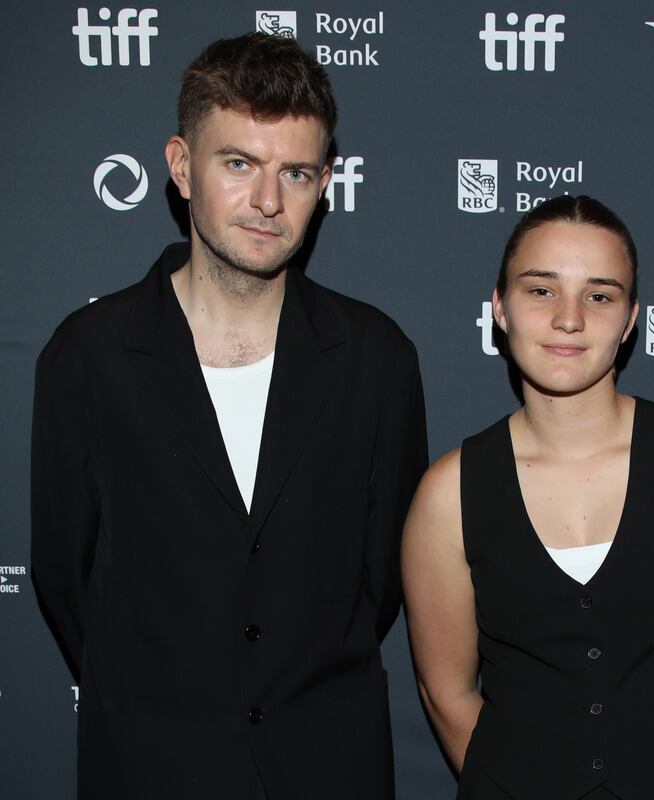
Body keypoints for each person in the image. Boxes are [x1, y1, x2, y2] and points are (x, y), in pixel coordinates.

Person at [31, 33, 427, 800]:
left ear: (325, 183)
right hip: (148, 766)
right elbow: (66, 577)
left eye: (297, 173)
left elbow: (381, 579)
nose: (268, 202)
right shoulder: (89, 355)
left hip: (328, 766)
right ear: (181, 166)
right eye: (239, 164)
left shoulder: (376, 356)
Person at [402, 195, 654, 799]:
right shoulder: (448, 493)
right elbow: (446, 693)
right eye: (540, 290)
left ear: (631, 318)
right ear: (500, 309)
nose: (569, 318)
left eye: (600, 295)